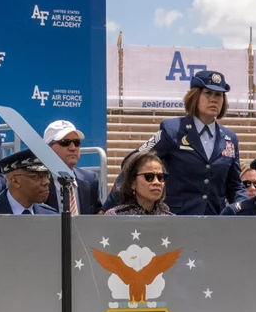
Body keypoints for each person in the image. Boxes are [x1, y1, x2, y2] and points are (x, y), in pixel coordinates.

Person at [102, 70, 247, 215]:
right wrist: (106, 208)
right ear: (194, 97)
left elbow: (234, 186)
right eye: (207, 93)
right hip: (175, 222)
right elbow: (133, 163)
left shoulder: (230, 139)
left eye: (218, 95)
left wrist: (248, 209)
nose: (214, 99)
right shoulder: (172, 131)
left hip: (215, 221)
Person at [42, 120, 102, 215]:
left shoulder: (90, 180)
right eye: (65, 142)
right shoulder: (37, 182)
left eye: (76, 142)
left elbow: (96, 216)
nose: (73, 148)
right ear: (48, 148)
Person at [104, 151, 171, 216]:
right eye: (149, 176)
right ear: (132, 182)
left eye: (160, 177)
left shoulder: (170, 219)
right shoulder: (115, 216)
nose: (157, 182)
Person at [0, 149, 57, 215]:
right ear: (15, 181)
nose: (47, 181)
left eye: (47, 175)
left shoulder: (50, 216)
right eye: (36, 176)